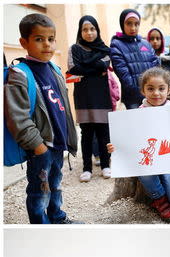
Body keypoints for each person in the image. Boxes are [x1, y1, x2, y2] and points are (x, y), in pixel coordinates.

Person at [4, 13, 82, 224]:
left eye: (51, 39)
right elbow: (17, 118)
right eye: (39, 39)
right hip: (40, 148)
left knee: (55, 184)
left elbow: (61, 107)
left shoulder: (54, 69)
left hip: (57, 144)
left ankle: (57, 217)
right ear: (24, 42)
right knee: (40, 192)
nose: (47, 44)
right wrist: (38, 147)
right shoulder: (19, 74)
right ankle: (40, 229)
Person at [107, 67, 170, 222]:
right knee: (143, 169)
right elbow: (129, 141)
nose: (156, 93)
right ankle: (160, 200)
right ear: (142, 91)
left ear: (169, 90)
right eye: (150, 88)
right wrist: (116, 147)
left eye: (161, 89)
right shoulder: (136, 114)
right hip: (150, 161)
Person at [67, 15, 113, 182]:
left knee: (103, 133)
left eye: (92, 29)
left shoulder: (105, 49)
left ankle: (106, 165)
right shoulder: (74, 48)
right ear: (80, 31)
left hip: (101, 96)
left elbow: (104, 65)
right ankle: (87, 168)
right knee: (86, 134)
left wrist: (85, 67)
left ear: (97, 30)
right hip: (84, 97)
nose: (89, 32)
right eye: (85, 29)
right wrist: (94, 68)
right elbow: (73, 68)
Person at [110, 8, 159, 110]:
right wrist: (141, 91)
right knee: (138, 124)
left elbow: (155, 66)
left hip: (151, 95)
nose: (133, 28)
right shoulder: (116, 45)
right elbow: (123, 74)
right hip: (132, 99)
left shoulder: (145, 43)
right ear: (122, 24)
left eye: (136, 24)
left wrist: (152, 89)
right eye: (129, 24)